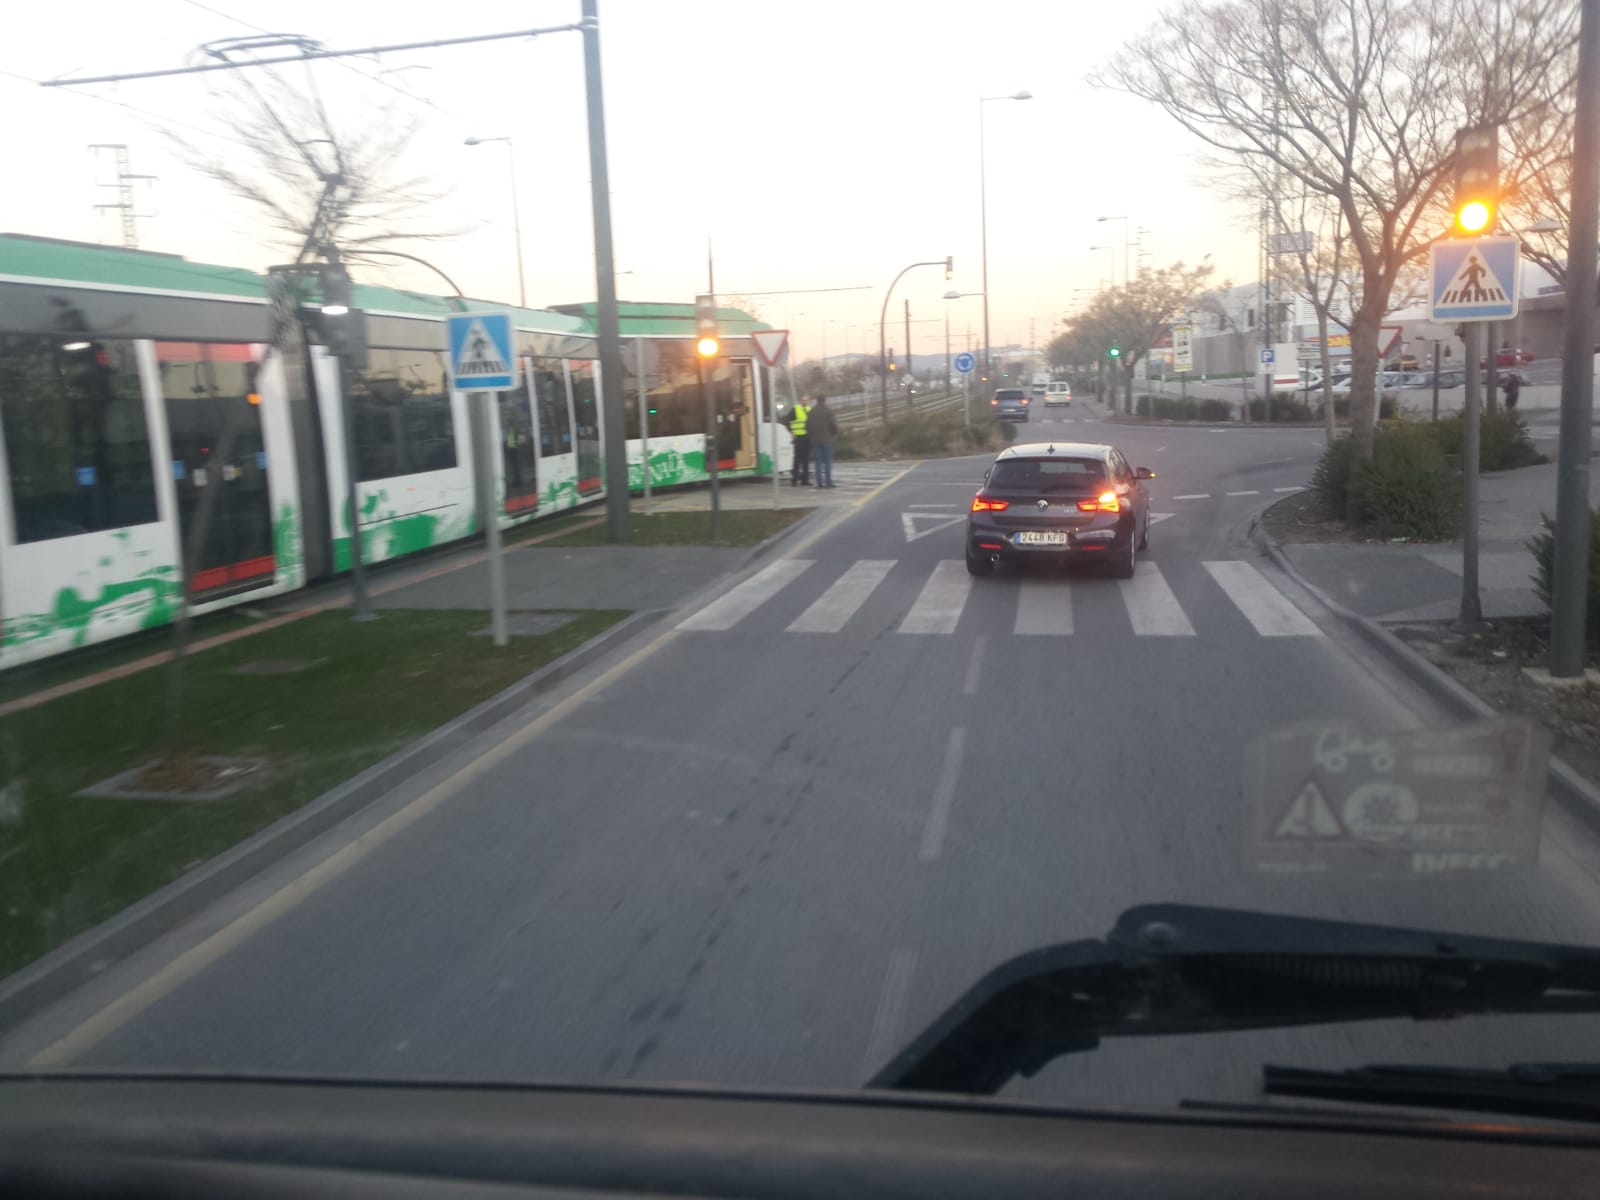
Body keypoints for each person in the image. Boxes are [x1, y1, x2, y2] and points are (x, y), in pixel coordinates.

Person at [809, 394, 839, 488]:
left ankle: (819, 483)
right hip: (826, 439)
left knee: (818, 461)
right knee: (827, 461)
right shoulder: (828, 411)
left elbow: (807, 426)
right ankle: (828, 482)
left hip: (815, 440)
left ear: (817, 401)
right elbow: (833, 425)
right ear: (824, 401)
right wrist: (834, 434)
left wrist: (812, 436)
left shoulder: (812, 412)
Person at [787, 395, 812, 486]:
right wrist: (791, 432)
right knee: (797, 459)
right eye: (803, 400)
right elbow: (787, 420)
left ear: (808, 401)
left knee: (806, 459)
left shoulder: (810, 409)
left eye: (806, 400)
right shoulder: (795, 409)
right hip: (798, 437)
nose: (804, 402)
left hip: (807, 437)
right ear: (800, 401)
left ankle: (805, 480)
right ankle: (794, 480)